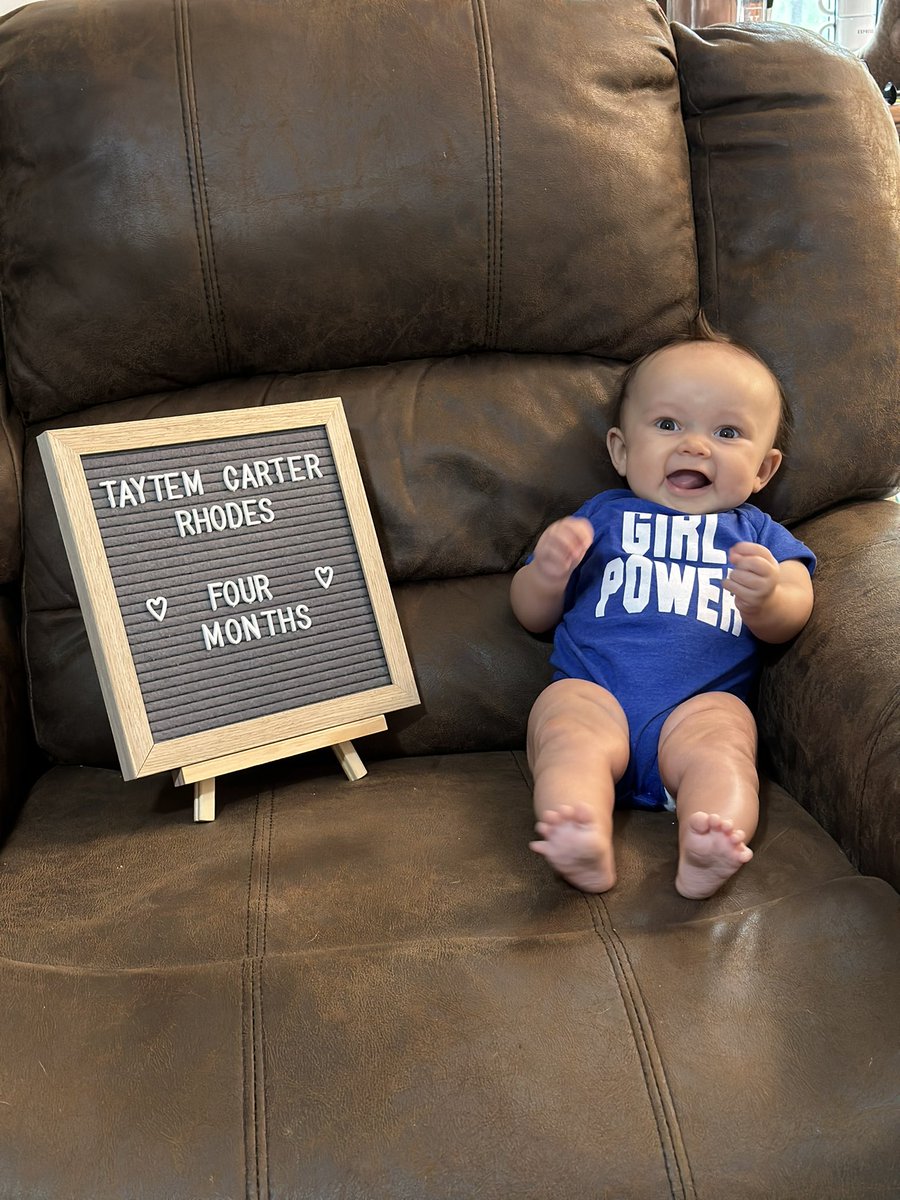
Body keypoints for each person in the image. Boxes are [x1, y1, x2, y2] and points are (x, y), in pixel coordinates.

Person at [510, 321, 815, 899]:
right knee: (564, 724)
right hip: (594, 690)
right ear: (621, 450)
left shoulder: (757, 534)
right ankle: (579, 829)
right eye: (669, 424)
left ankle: (712, 840)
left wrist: (771, 597)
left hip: (697, 707)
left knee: (725, 742)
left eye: (727, 432)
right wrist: (546, 575)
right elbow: (531, 614)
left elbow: (795, 608)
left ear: (763, 470)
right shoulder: (598, 517)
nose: (695, 446)